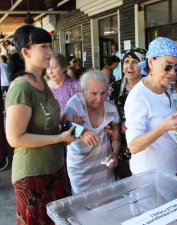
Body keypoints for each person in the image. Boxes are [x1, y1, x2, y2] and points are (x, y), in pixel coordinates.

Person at [5, 25, 76, 224]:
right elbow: (15, 138)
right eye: (43, 47)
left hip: (55, 167)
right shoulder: (21, 87)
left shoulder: (42, 81)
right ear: (26, 52)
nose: (49, 52)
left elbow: (47, 122)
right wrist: (59, 138)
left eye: (49, 46)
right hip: (32, 174)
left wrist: (67, 124)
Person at [124, 37, 177, 175]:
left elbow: (166, 124)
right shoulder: (138, 97)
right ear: (151, 62)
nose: (172, 73)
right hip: (151, 177)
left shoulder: (165, 87)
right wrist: (163, 127)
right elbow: (133, 146)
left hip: (172, 169)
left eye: (176, 67)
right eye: (167, 66)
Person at [63, 70, 120, 193]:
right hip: (80, 171)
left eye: (103, 93)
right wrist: (81, 132)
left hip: (104, 170)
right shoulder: (75, 104)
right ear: (83, 92)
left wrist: (114, 155)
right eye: (93, 93)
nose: (99, 99)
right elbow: (63, 127)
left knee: (107, 203)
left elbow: (116, 138)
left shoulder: (111, 108)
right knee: (84, 206)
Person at [109, 48, 147, 179]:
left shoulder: (149, 87)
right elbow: (106, 112)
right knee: (125, 181)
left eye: (135, 62)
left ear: (143, 64)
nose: (129, 66)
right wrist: (114, 125)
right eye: (126, 61)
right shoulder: (115, 87)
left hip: (144, 143)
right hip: (120, 144)